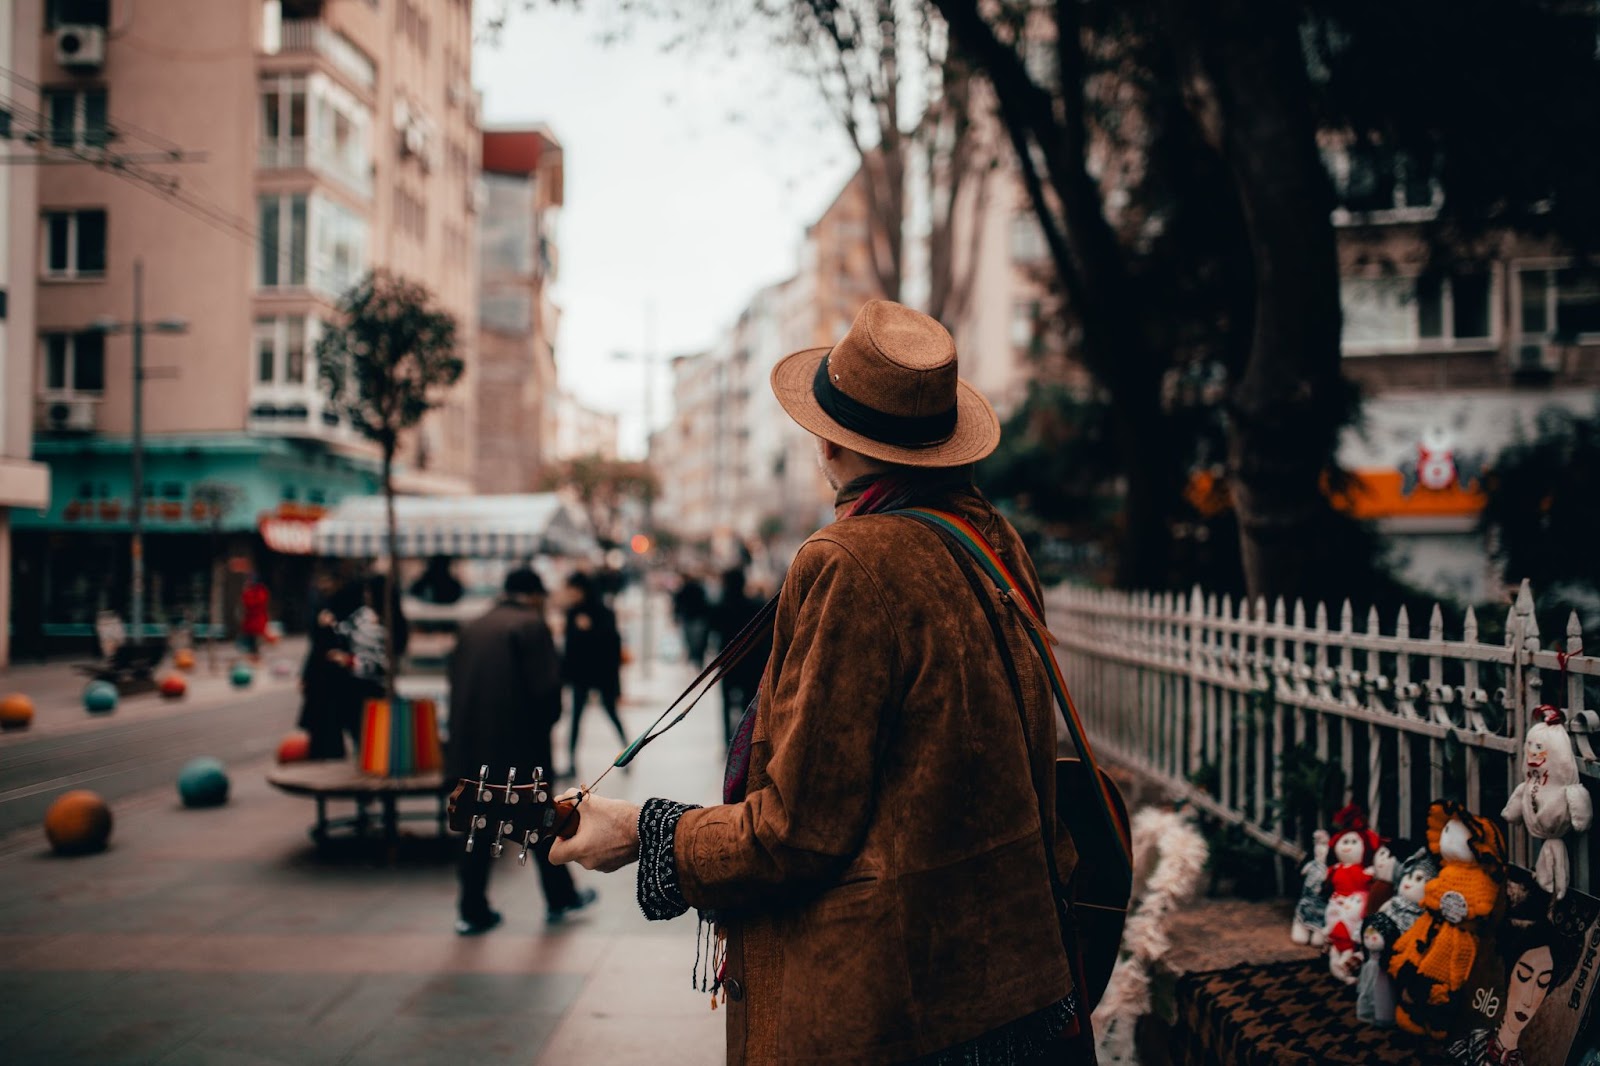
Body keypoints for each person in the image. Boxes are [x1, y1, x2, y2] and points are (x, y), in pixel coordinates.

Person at [550, 300, 1089, 1063]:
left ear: (829, 444)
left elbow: (799, 832)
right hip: (1020, 982)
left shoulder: (847, 561)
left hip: (905, 1008)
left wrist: (645, 831)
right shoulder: (993, 542)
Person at [448, 568, 595, 934]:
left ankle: (472, 908)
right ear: (532, 595)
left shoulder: (474, 625)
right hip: (518, 747)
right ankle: (561, 896)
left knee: (476, 822)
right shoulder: (531, 625)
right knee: (540, 820)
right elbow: (547, 693)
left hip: (469, 745)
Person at [1448, 919, 1580, 1065]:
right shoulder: (1467, 1045)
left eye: (1542, 983)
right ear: (1509, 976)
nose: (1527, 1000)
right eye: (1523, 976)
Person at [561, 570, 628, 779]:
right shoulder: (572, 613)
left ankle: (628, 752)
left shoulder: (603, 612)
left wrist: (590, 630)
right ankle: (571, 761)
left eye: (572, 590)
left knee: (611, 712)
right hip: (580, 675)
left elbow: (612, 644)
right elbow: (569, 647)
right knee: (575, 719)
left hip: (602, 674)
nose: (569, 594)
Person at [709, 566, 767, 747]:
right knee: (748, 704)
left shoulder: (720, 607)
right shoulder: (755, 606)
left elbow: (713, 630)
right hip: (750, 663)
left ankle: (728, 741)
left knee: (726, 703)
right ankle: (745, 740)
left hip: (728, 663)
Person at [672, 572, 712, 668]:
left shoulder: (684, 590)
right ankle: (697, 658)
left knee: (690, 639)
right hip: (698, 618)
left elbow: (678, 604)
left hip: (689, 618)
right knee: (698, 640)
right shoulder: (700, 589)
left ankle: (693, 657)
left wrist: (676, 617)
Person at [238, 576, 270, 660]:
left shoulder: (257, 592)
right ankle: (254, 656)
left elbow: (249, 603)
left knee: (255, 642)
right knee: (252, 642)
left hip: (256, 621)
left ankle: (255, 657)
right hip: (253, 621)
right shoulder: (258, 591)